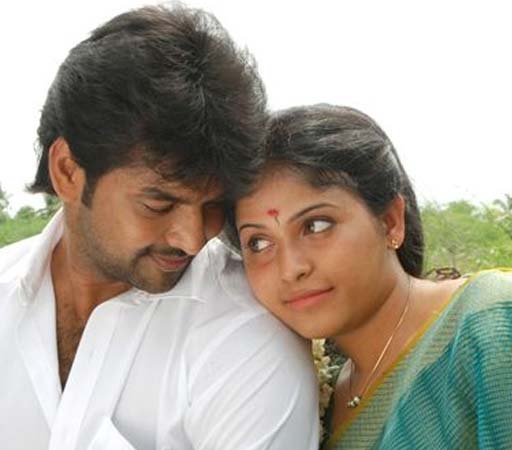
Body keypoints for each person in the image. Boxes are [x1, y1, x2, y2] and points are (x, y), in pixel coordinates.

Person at [0, 6, 319, 449]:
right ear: (68, 171)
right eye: (159, 204)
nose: (192, 238)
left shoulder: (246, 333)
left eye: (213, 205)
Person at [232, 103, 512, 449]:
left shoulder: (496, 323)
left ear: (391, 221)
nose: (291, 268)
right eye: (258, 243)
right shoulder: (318, 390)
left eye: (316, 225)